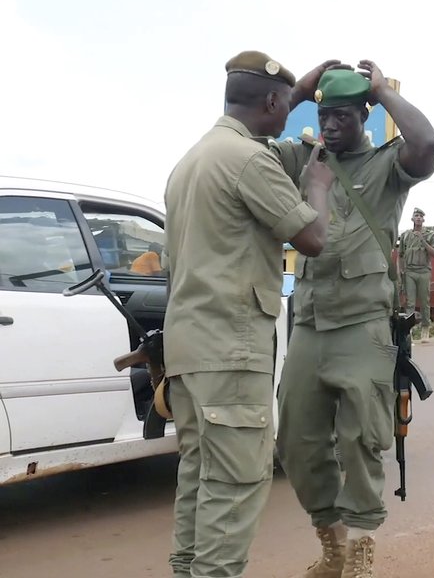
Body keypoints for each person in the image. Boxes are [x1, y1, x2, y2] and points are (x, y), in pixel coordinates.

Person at [163, 51, 335, 578]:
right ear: (270, 101)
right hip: (230, 348)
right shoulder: (249, 161)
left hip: (190, 349)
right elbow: (312, 238)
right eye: (287, 105)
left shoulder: (192, 160)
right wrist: (318, 188)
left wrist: (299, 91)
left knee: (200, 478)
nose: (292, 117)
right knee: (236, 486)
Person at [272, 61, 434, 578]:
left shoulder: (388, 165)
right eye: (323, 114)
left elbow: (428, 145)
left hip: (363, 325)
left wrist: (385, 90)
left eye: (341, 116)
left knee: (361, 438)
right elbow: (249, 149)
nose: (329, 125)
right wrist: (297, 88)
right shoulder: (304, 156)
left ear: (363, 116)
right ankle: (333, 541)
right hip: (309, 324)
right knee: (295, 441)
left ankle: (361, 544)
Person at [398, 208, 434, 342]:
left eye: (421, 216)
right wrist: (400, 270)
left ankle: (425, 328)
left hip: (423, 271)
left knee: (424, 301)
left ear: (424, 219)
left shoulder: (430, 234)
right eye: (416, 215)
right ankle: (408, 332)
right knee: (410, 302)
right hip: (409, 271)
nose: (419, 218)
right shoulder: (405, 235)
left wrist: (423, 241)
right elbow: (400, 255)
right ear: (412, 219)